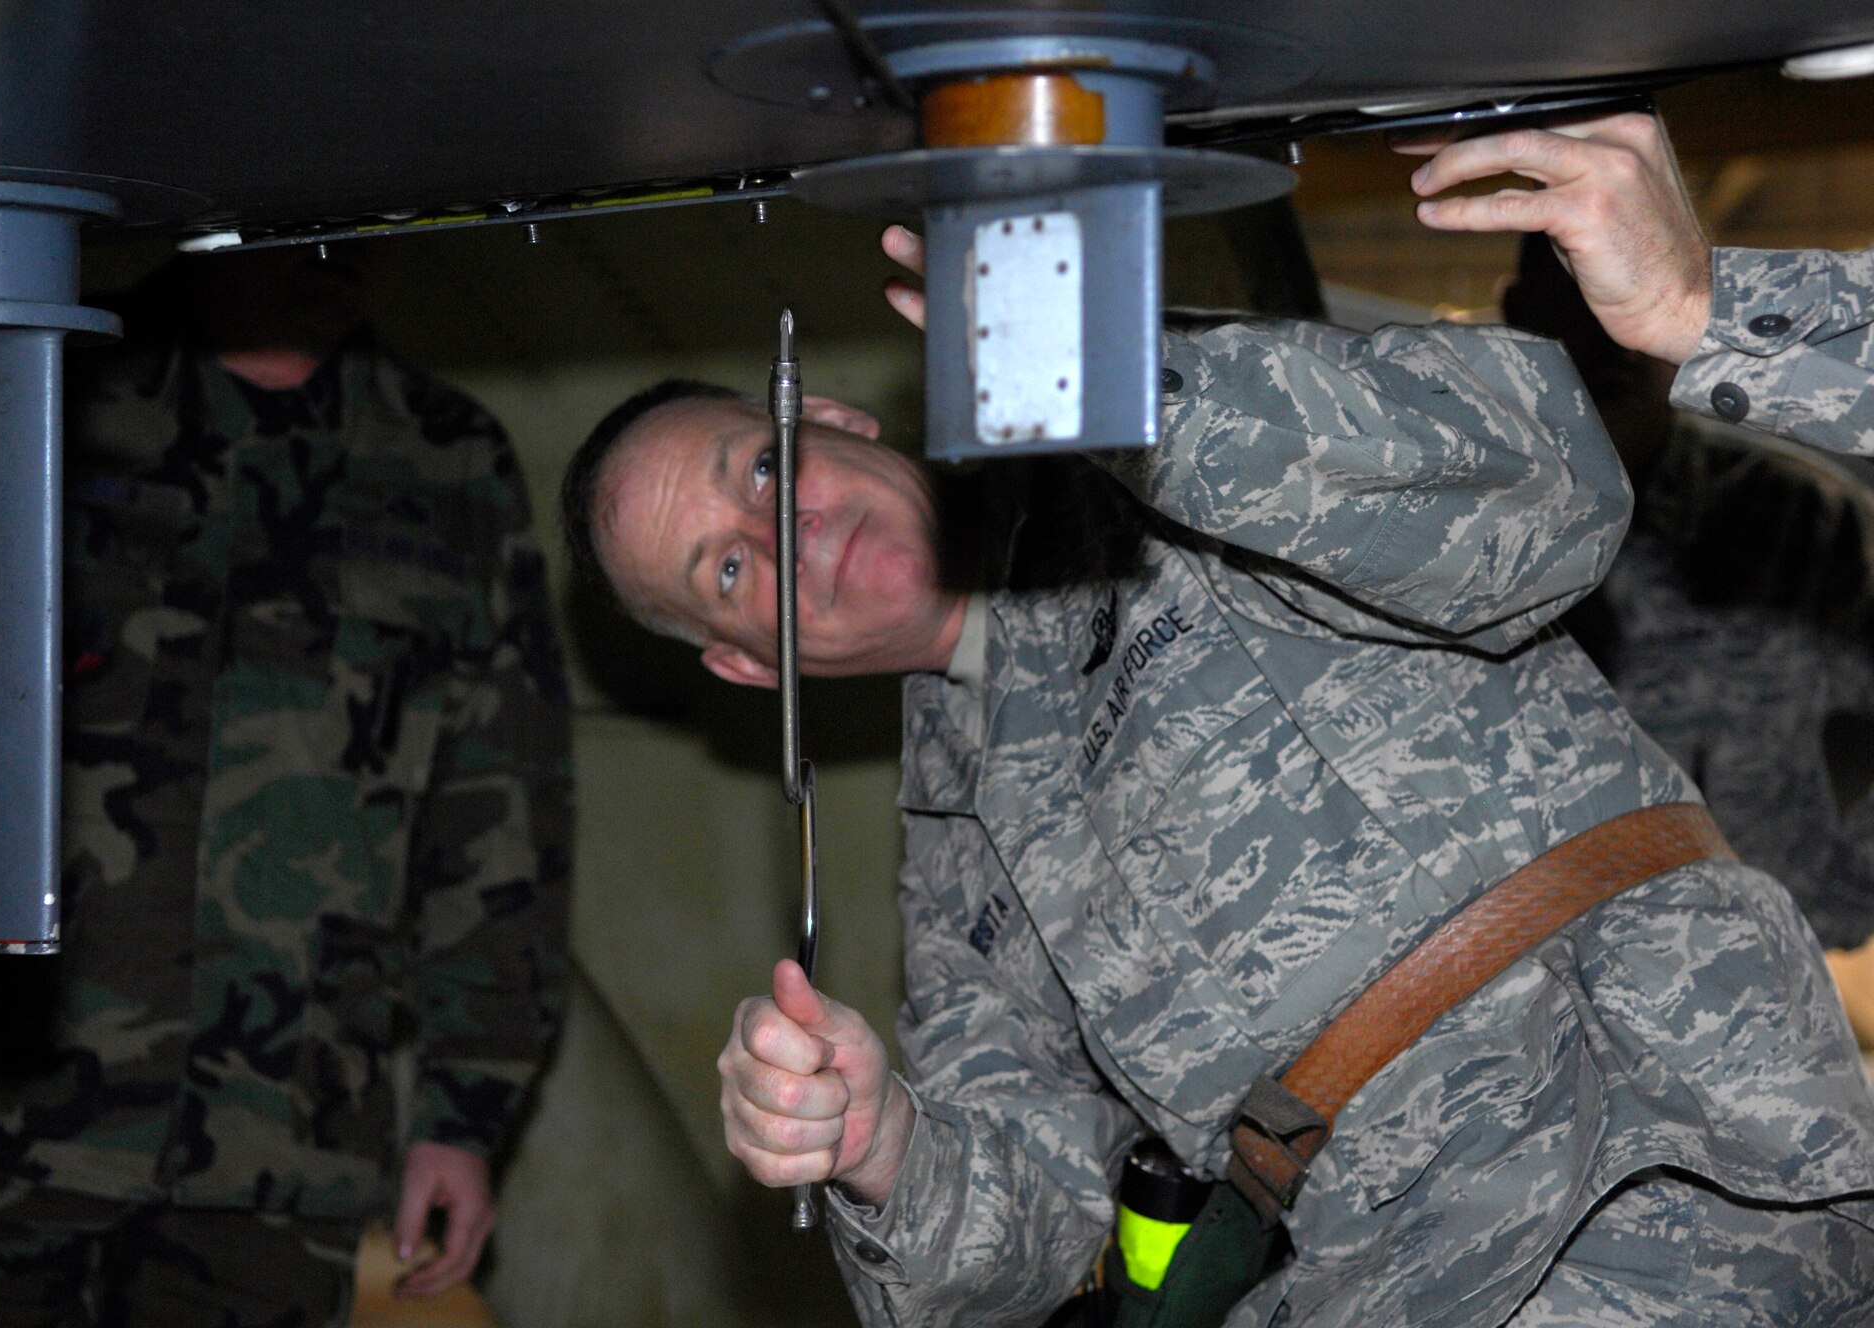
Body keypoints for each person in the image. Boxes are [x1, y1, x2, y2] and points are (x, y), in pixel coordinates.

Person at [564, 110, 1874, 1327]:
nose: (782, 530)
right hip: (1385, 1283)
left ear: (841, 421)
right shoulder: (955, 820)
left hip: (1653, 1161)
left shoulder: (1147, 441)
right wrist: (881, 1146)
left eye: (765, 466)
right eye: (728, 572)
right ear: (747, 667)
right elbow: (1041, 1195)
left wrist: (1138, 393)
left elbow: (1546, 496)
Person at [0, 244, 573, 1326]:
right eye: (308, 214)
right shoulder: (44, 387)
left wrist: (463, 1110)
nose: (344, 254)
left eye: (375, 220)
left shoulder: (446, 459)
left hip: (278, 1140)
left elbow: (501, 812)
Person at [1500, 230, 1874, 984]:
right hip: (1518, 984)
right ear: (1516, 318)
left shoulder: (1795, 517)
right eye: (1572, 308)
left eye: (1625, 307)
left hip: (1760, 972)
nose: (1607, 342)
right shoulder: (1449, 524)